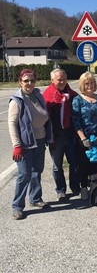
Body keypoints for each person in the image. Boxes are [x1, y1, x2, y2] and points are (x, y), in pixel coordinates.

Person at [8, 69, 52, 220]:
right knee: (24, 174)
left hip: (39, 140)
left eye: (32, 80)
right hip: (25, 143)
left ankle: (35, 198)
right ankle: (17, 206)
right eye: (26, 81)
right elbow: (12, 124)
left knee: (37, 171)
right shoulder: (17, 101)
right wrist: (16, 145)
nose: (29, 83)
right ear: (20, 82)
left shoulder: (38, 95)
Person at [43, 68, 80, 201]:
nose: (62, 81)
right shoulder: (47, 96)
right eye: (59, 79)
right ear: (52, 80)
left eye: (64, 78)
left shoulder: (72, 94)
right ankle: (60, 190)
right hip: (56, 137)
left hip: (70, 135)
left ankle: (75, 186)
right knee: (57, 165)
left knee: (73, 162)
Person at [72, 72, 97, 200]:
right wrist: (83, 138)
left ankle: (96, 188)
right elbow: (76, 121)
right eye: (87, 83)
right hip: (84, 139)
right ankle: (83, 188)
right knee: (83, 165)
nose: (90, 85)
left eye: (92, 83)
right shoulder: (77, 100)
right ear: (82, 85)